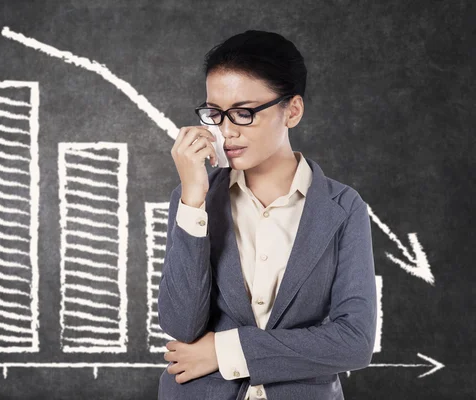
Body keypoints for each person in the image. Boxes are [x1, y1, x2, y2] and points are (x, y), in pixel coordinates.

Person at [156, 30, 377, 400]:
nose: (226, 131)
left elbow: (354, 342)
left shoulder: (343, 207)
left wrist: (226, 353)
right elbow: (182, 325)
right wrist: (194, 199)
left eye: (244, 113)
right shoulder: (194, 198)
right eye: (215, 114)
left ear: (292, 110)